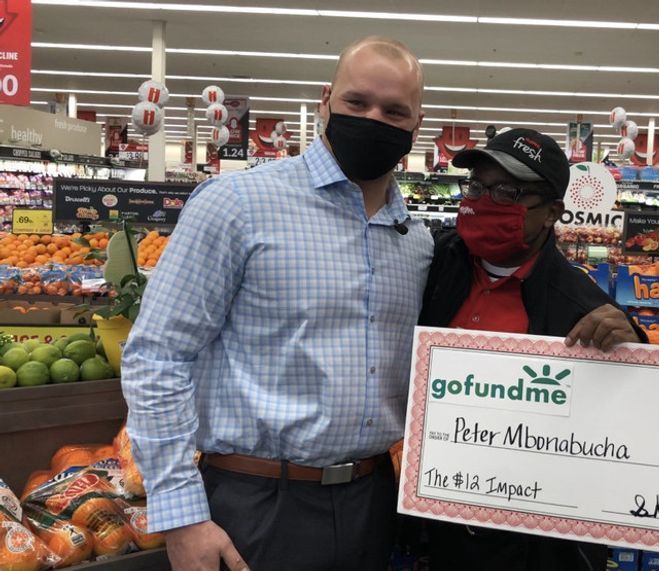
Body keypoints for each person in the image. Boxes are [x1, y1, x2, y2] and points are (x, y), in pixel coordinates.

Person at [120, 36, 434, 571]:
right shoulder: (237, 203)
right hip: (256, 502)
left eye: (394, 111)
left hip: (372, 501)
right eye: (357, 103)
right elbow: (157, 356)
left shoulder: (417, 241)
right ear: (325, 101)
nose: (374, 119)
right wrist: (181, 514)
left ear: (415, 126)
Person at [419, 128, 645, 570]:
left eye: (507, 191)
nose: (484, 202)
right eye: (478, 187)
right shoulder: (435, 267)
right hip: (438, 520)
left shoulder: (581, 308)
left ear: (551, 213)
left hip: (534, 543)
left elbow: (632, 422)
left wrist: (636, 348)